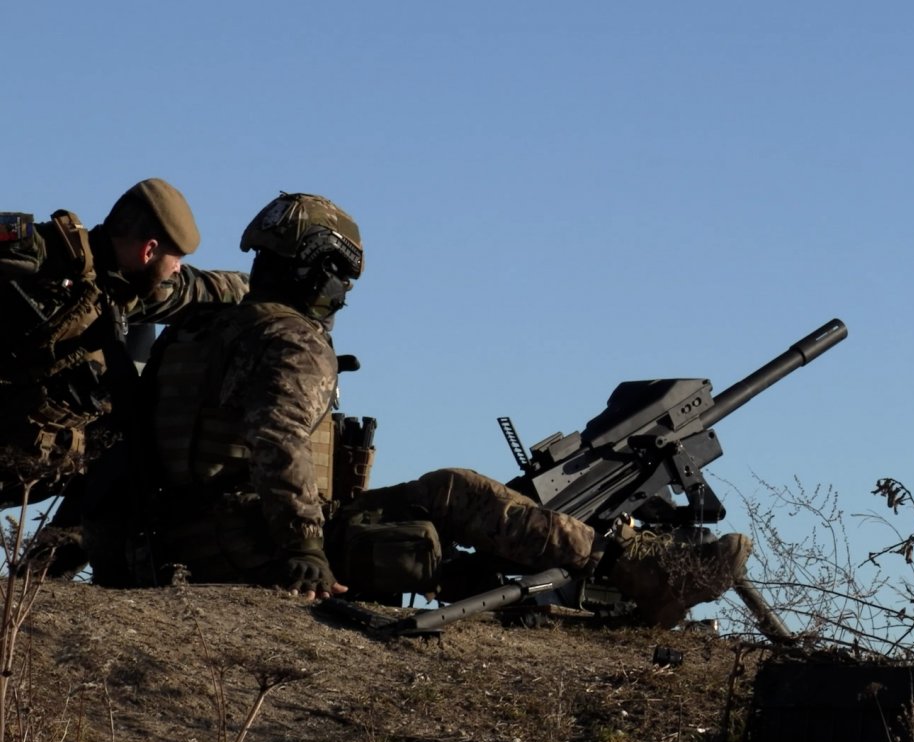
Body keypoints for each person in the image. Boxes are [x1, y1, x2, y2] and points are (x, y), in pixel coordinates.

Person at [123, 191, 748, 626]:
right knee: (455, 492)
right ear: (326, 274)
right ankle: (642, 571)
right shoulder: (293, 341)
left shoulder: (201, 326)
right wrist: (303, 550)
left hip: (178, 539)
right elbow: (279, 442)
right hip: (249, 545)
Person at [0, 179, 249, 508]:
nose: (177, 269)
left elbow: (209, 290)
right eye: (176, 259)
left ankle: (51, 557)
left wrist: (281, 294)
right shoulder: (38, 250)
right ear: (149, 250)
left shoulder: (126, 293)